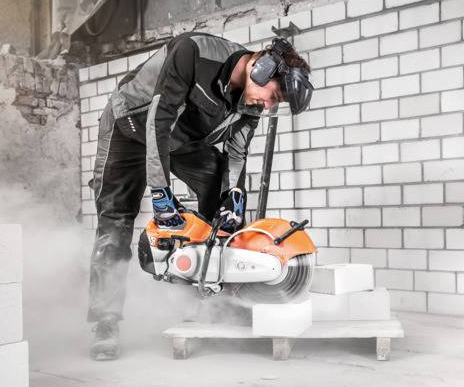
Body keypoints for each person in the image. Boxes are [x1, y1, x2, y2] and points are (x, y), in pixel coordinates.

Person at [87, 33, 313, 360]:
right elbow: (158, 123)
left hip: (181, 141)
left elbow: (236, 156)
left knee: (220, 192)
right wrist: (161, 192)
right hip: (130, 126)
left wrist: (234, 198)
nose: (268, 105)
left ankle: (219, 295)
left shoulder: (251, 103)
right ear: (262, 68)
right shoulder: (194, 52)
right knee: (115, 218)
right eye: (274, 95)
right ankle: (105, 321)